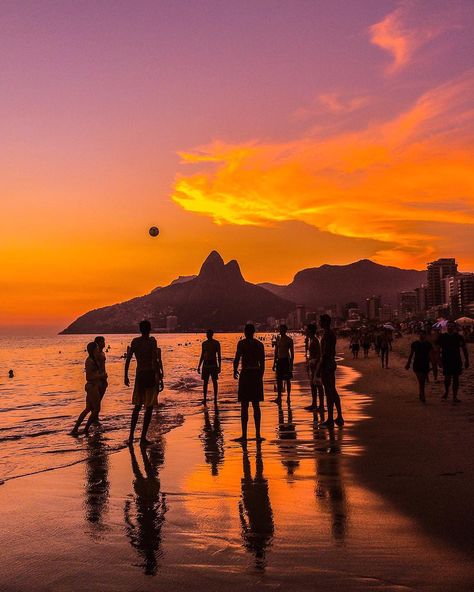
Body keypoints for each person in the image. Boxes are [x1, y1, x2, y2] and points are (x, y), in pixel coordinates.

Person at [124, 320, 164, 445]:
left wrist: (125, 375)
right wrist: (160, 377)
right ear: (150, 329)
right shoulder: (152, 341)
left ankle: (131, 437)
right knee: (149, 407)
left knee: (137, 406)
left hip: (140, 375)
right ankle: (142, 438)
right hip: (150, 374)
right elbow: (155, 360)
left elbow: (129, 359)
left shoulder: (135, 342)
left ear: (140, 330)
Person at [233, 324, 265, 442]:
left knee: (244, 405)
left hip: (246, 374)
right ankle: (257, 434)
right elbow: (262, 363)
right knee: (256, 406)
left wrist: (234, 370)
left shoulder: (242, 344)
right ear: (254, 332)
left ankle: (244, 435)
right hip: (256, 373)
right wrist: (260, 376)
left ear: (245, 332)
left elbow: (237, 358)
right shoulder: (259, 345)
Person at [71, 342, 106, 435]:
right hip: (92, 386)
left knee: (88, 409)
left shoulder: (95, 359)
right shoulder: (89, 361)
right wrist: (101, 376)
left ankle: (75, 429)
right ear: (94, 349)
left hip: (94, 386)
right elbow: (89, 377)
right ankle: (85, 429)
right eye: (97, 348)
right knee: (96, 409)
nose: (99, 349)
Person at [317, 314, 344, 428]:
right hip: (331, 363)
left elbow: (325, 353)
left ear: (324, 322)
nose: (319, 322)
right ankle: (339, 416)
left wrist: (318, 368)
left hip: (327, 364)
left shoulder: (328, 334)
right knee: (333, 390)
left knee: (329, 392)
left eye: (320, 321)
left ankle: (330, 419)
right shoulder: (330, 333)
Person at [437, 321, 469, 403]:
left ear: (454, 327)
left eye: (452, 326)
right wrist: (439, 360)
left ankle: (455, 396)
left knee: (456, 378)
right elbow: (438, 349)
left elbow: (464, 349)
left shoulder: (458, 337)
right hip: (446, 360)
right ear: (446, 327)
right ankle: (447, 391)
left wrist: (466, 360)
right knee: (447, 379)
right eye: (449, 326)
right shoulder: (442, 337)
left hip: (456, 360)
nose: (450, 327)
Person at [405, 330, 433, 403]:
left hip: (425, 363)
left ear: (425, 335)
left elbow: (430, 355)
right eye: (420, 334)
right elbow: (411, 354)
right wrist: (408, 363)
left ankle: (421, 393)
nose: (421, 336)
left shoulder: (428, 344)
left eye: (423, 334)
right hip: (417, 363)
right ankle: (422, 394)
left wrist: (433, 364)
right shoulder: (415, 344)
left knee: (422, 380)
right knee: (421, 380)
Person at [197, 329, 221, 404]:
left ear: (212, 334)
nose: (207, 335)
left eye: (209, 334)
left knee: (214, 382)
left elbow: (219, 355)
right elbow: (202, 355)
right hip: (206, 364)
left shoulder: (216, 343)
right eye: (207, 334)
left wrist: (219, 366)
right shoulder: (204, 343)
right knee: (205, 382)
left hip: (213, 364)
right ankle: (204, 398)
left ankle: (215, 398)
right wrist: (199, 366)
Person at [304, 324, 325, 412]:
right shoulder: (310, 339)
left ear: (310, 331)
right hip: (312, 365)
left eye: (307, 330)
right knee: (312, 385)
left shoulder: (315, 340)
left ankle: (321, 406)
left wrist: (315, 363)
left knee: (318, 385)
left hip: (316, 365)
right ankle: (314, 404)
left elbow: (319, 354)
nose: (305, 331)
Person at [272, 325, 294, 404]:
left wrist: (291, 365)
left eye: (281, 329)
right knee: (278, 379)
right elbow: (276, 351)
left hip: (286, 361)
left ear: (285, 330)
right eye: (279, 329)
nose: (280, 331)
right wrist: (274, 363)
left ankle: (288, 396)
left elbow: (292, 354)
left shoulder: (289, 340)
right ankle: (279, 397)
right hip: (279, 361)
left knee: (287, 380)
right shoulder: (278, 339)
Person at [94, 336, 108, 403]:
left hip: (103, 378)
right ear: (97, 343)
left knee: (98, 403)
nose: (103, 343)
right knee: (95, 405)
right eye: (102, 341)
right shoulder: (96, 354)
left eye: (104, 341)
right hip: (99, 379)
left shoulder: (102, 353)